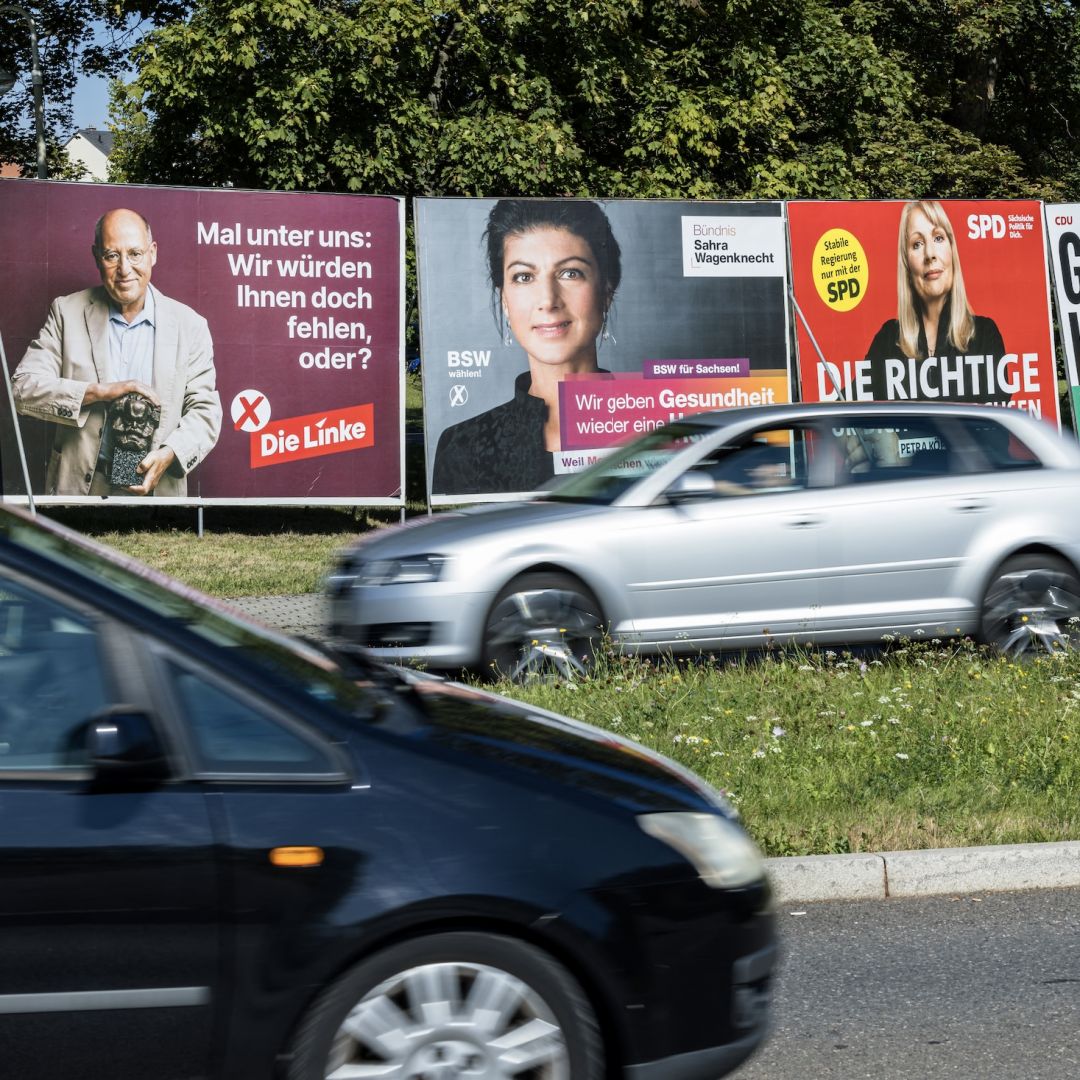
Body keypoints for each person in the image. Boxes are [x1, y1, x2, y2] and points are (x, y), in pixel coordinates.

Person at [11, 207, 222, 497]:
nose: (124, 269)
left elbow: (206, 411)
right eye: (112, 255)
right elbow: (22, 389)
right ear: (97, 256)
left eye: (135, 253)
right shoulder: (66, 312)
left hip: (157, 493)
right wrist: (99, 392)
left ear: (153, 253)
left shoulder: (190, 326)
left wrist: (171, 453)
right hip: (79, 491)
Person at [433, 199, 621, 495]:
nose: (548, 300)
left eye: (570, 273)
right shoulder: (463, 447)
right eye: (524, 277)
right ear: (505, 300)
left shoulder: (656, 430)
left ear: (606, 290)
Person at [863, 199, 1009, 405]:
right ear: (906, 262)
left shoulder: (984, 335)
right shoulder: (887, 341)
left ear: (952, 250)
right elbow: (851, 409)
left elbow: (996, 426)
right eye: (917, 244)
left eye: (938, 238)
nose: (930, 254)